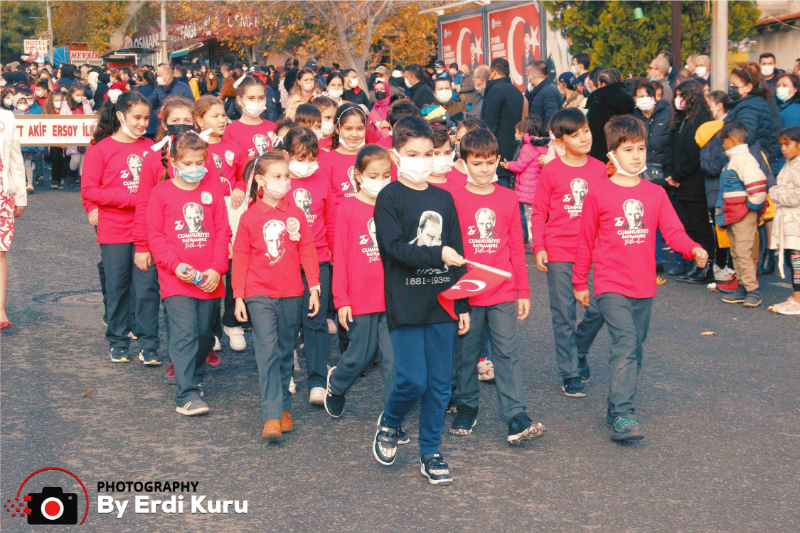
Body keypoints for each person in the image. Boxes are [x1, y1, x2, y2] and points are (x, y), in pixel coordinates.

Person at [573, 115, 708, 442]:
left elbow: (673, 231)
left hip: (644, 285)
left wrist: (693, 249)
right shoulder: (598, 194)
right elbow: (585, 240)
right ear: (612, 154)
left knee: (635, 347)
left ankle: (614, 406)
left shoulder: (655, 194)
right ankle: (623, 414)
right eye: (628, 149)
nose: (636, 155)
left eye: (641, 148)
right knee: (625, 343)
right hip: (609, 284)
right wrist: (580, 282)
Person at [369, 116, 469, 485]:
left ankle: (431, 451)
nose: (422, 160)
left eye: (428, 154)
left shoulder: (444, 198)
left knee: (441, 384)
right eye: (413, 154)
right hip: (406, 301)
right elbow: (393, 249)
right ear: (396, 155)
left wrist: (462, 304)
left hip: (441, 301)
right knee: (413, 380)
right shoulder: (389, 196)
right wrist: (437, 253)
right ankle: (390, 422)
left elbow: (458, 252)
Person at [448, 127, 544, 443]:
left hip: (502, 291)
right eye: (477, 163)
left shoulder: (508, 196)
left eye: (490, 162)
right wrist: (455, 296)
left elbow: (517, 246)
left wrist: (524, 291)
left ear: (498, 161)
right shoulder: (454, 197)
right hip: (468, 293)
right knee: (466, 353)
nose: (485, 169)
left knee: (507, 353)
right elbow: (450, 251)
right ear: (464, 163)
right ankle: (467, 406)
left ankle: (516, 416)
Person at [232, 151, 320, 440]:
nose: (284, 182)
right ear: (260, 180)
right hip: (258, 294)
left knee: (284, 351)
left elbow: (307, 250)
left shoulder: (296, 214)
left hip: (292, 293)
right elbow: (241, 257)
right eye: (278, 177)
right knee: (266, 350)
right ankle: (271, 416)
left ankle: (283, 406)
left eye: (287, 176)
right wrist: (238, 295)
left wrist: (315, 287)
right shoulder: (249, 217)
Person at [147, 132, 231, 416]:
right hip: (176, 279)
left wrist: (217, 269)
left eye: (199, 162)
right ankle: (186, 395)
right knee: (185, 333)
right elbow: (155, 236)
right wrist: (174, 266)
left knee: (204, 335)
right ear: (174, 162)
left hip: (209, 278)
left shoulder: (212, 191)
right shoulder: (161, 193)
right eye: (188, 162)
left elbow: (222, 231)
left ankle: (194, 376)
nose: (194, 167)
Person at [531, 108, 606, 396]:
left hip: (594, 251)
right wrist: (539, 246)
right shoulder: (551, 170)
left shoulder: (600, 169)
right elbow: (538, 212)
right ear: (561, 142)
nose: (584, 138)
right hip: (559, 250)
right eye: (575, 135)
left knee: (599, 307)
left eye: (586, 130)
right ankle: (570, 370)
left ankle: (580, 349)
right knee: (564, 314)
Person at [80, 91, 154, 364]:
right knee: (118, 287)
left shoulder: (152, 147)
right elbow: (88, 189)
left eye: (146, 118)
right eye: (136, 117)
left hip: (146, 229)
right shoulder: (101, 148)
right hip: (114, 230)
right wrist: (129, 200)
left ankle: (149, 343)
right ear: (120, 116)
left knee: (146, 289)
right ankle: (118, 340)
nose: (142, 123)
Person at [327, 144, 398, 417]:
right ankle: (337, 383)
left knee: (394, 361)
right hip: (359, 298)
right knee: (360, 356)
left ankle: (392, 418)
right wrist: (341, 300)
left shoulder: (395, 205)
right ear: (358, 175)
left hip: (392, 297)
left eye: (385, 175)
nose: (380, 181)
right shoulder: (347, 208)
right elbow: (341, 258)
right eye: (373, 175)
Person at [281, 127, 336, 405]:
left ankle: (317, 379)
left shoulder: (322, 179)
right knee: (286, 321)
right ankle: (284, 373)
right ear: (285, 155)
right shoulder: (277, 181)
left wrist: (335, 255)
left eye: (311, 157)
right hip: (284, 262)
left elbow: (331, 222)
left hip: (319, 259)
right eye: (299, 157)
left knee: (316, 322)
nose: (306, 163)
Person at [713, 120, 767, 307]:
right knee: (736, 252)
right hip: (735, 214)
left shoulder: (743, 160)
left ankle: (753, 291)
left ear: (734, 140)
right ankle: (743, 288)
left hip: (742, 214)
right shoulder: (735, 160)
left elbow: (758, 186)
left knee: (743, 253)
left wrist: (751, 207)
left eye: (724, 141)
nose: (723, 145)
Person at [500, 116, 548, 245]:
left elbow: (520, 166)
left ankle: (532, 241)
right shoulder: (544, 146)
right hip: (537, 188)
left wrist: (507, 165)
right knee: (537, 216)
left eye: (516, 132)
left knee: (528, 216)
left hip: (528, 189)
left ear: (522, 133)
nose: (515, 135)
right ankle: (537, 239)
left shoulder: (527, 148)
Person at [768, 126, 800, 315]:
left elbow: (797, 195)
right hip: (790, 222)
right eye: (782, 144)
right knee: (793, 260)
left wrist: (774, 192)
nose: (783, 148)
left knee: (796, 262)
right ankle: (796, 296)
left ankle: (797, 300)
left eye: (787, 144)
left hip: (796, 223)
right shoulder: (791, 162)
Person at [0, 107, 26, 329]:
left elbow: (16, 158)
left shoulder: (6, 117)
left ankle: (0, 309)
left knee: (0, 251)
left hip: (2, 193)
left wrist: (20, 196)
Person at [481, 58, 524, 189]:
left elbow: (489, 123)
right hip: (512, 148)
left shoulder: (495, 91)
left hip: (495, 150)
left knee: (498, 188)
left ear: (492, 72)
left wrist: (483, 147)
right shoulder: (516, 91)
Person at [319, 103, 368, 213]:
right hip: (339, 224)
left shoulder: (373, 157)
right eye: (348, 129)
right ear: (337, 129)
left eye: (360, 128)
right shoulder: (326, 161)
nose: (354, 134)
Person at [726, 64, 780, 161]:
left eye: (734, 85)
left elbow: (745, 138)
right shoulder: (748, 103)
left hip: (747, 159)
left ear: (748, 87)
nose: (730, 87)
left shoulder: (750, 107)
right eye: (730, 84)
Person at [586, 68, 635, 163]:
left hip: (600, 157)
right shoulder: (630, 101)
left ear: (603, 84)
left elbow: (590, 133)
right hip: (625, 154)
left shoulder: (598, 105)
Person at [222, 76, 277, 159]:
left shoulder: (274, 127)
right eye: (251, 98)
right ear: (239, 100)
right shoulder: (230, 131)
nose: (257, 102)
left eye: (261, 98)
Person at [146, 63, 195, 138]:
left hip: (179, 125)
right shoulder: (159, 88)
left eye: (159, 76)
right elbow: (150, 101)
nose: (157, 78)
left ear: (167, 75)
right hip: (164, 125)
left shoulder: (183, 88)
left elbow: (192, 105)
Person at [60, 82, 94, 189]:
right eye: (77, 95)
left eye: (81, 95)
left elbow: (91, 117)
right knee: (75, 158)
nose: (79, 97)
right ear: (72, 95)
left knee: (83, 159)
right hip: (72, 135)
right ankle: (71, 175)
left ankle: (82, 180)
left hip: (84, 135)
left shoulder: (86, 104)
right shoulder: (66, 105)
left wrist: (85, 105)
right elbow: (62, 120)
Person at [773, 73, 800, 174]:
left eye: (785, 85)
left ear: (795, 89)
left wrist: (772, 154)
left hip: (783, 161)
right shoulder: (784, 108)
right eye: (779, 86)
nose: (780, 88)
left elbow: (789, 138)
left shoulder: (792, 111)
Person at [526, 60, 562, 127]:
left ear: (533, 75)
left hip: (543, 136)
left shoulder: (549, 91)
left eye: (528, 75)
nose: (528, 78)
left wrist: (538, 132)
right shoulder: (539, 90)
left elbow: (551, 120)